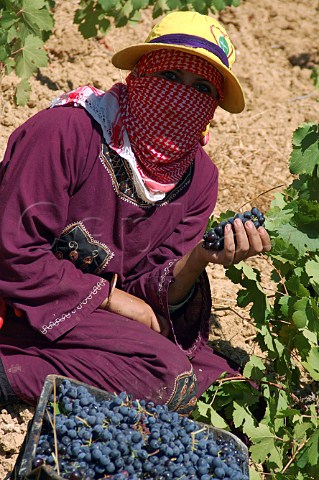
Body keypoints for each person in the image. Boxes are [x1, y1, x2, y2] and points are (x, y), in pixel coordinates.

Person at [0, 11, 271, 413]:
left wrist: (198, 261)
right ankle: (10, 373)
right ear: (139, 74)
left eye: (201, 88)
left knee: (232, 391)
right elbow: (12, 251)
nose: (182, 100)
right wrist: (111, 298)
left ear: (213, 107)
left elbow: (148, 292)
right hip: (25, 301)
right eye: (170, 78)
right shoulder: (66, 133)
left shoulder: (199, 179)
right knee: (165, 372)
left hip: (95, 318)